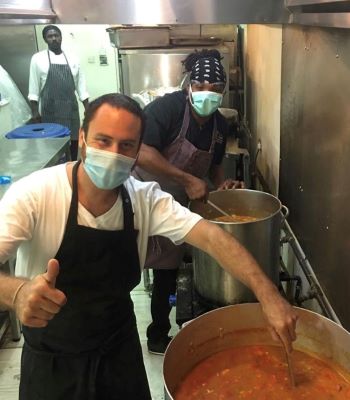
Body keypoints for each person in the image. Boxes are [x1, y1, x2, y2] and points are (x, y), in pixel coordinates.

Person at [0, 93, 297, 400]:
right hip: (52, 364)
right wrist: (18, 293)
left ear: (138, 150)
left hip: (118, 353)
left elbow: (212, 237)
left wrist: (268, 295)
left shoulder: (144, 199)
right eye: (103, 141)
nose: (114, 154)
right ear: (82, 139)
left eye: (126, 145)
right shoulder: (35, 194)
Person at [134, 49, 243, 354]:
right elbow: (142, 152)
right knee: (130, 260)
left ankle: (157, 335)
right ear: (189, 86)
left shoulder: (219, 126)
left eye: (215, 89)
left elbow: (214, 165)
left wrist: (222, 184)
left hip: (179, 202)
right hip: (144, 195)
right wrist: (185, 179)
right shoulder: (166, 109)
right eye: (201, 87)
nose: (207, 95)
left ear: (222, 92)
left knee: (168, 269)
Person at [28, 25, 89, 160]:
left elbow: (81, 86)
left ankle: (71, 166)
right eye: (50, 36)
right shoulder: (38, 59)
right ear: (45, 39)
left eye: (56, 35)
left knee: (73, 143)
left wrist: (88, 108)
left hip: (70, 109)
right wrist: (34, 112)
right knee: (52, 146)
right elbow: (33, 88)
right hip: (50, 111)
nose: (54, 39)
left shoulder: (73, 58)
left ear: (61, 37)